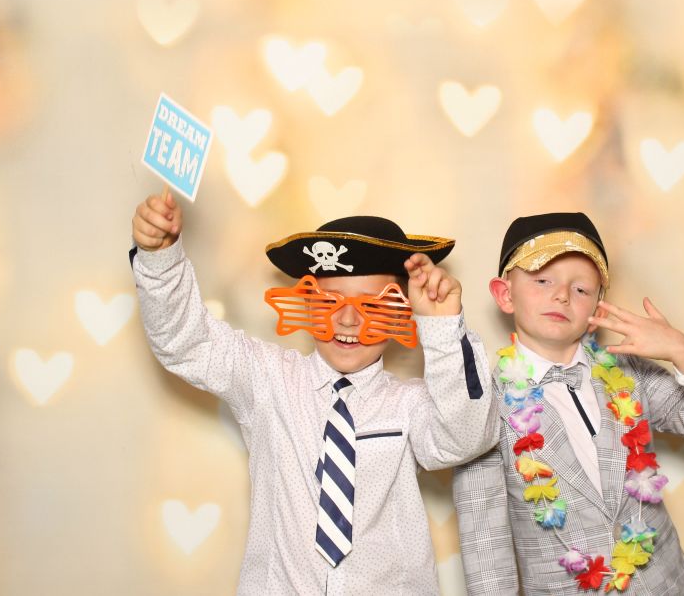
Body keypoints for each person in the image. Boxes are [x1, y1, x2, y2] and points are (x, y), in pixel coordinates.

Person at [130, 191, 497, 595]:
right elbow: (187, 343)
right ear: (306, 304)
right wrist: (160, 260)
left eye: (373, 307)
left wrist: (443, 328)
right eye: (328, 303)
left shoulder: (409, 404)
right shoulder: (268, 380)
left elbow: (466, 436)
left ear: (401, 314)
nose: (348, 319)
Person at [453, 212, 684, 594]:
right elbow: (486, 554)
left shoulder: (630, 374)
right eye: (543, 280)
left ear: (596, 309)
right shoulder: (482, 410)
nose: (562, 295)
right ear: (505, 294)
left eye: (581, 289)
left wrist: (681, 350)